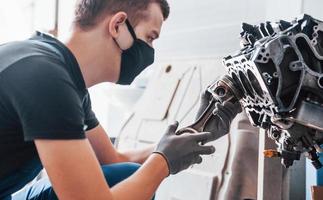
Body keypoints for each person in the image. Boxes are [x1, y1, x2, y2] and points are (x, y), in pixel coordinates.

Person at [0, 0, 240, 199]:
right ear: (117, 26)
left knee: (125, 174)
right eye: (150, 38)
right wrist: (163, 163)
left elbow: (113, 159)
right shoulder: (44, 76)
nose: (150, 54)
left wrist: (196, 132)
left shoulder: (62, 75)